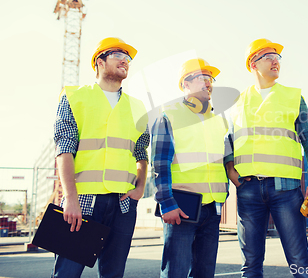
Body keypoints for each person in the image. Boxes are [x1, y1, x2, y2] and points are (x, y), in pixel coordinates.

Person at [225, 38, 308, 278]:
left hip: (286, 188)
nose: (275, 61)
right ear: (252, 64)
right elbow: (228, 140)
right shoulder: (237, 102)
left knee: (300, 261)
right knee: (250, 265)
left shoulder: (293, 97)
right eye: (268, 57)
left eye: (277, 57)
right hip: (248, 188)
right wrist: (230, 170)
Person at [52, 37, 150, 277]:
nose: (125, 61)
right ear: (99, 61)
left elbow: (141, 152)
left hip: (123, 204)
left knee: (113, 275)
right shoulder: (75, 97)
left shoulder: (137, 106)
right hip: (83, 200)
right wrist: (70, 198)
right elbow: (64, 148)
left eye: (128, 58)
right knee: (67, 273)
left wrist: (141, 187)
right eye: (119, 55)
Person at [151, 58, 229, 278]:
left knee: (205, 273)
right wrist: (166, 204)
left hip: (212, 208)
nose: (208, 83)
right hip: (182, 207)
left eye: (210, 78)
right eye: (202, 78)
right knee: (176, 272)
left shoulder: (217, 120)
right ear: (185, 84)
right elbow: (159, 163)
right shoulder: (170, 114)